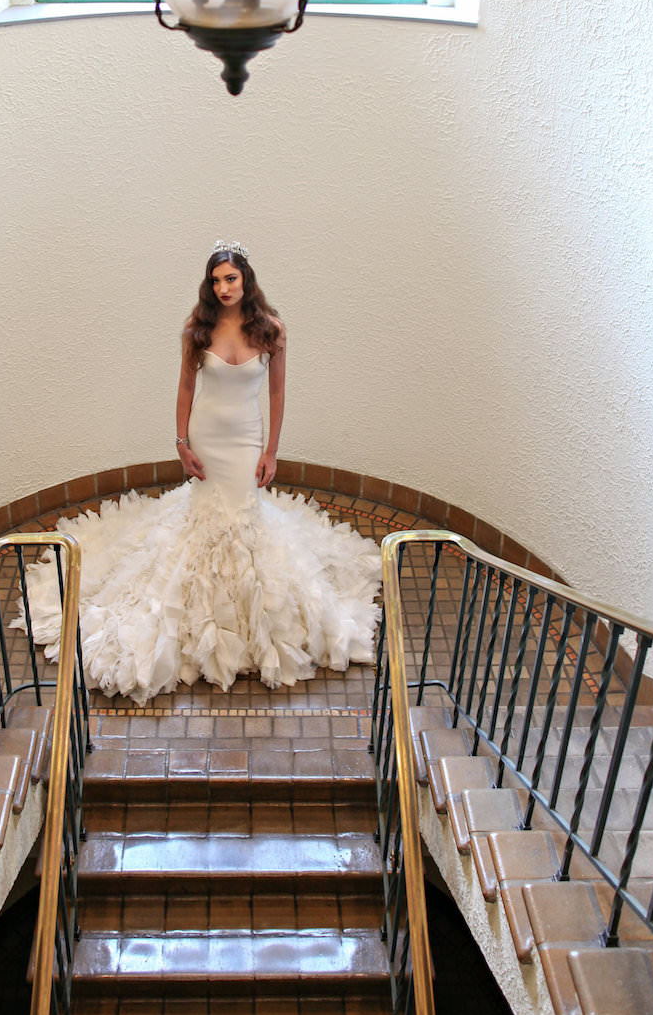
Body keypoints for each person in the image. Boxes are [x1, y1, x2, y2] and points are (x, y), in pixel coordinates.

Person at [19, 241, 382, 704]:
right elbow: (186, 387)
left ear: (246, 279)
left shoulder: (272, 329)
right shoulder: (198, 329)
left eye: (231, 278)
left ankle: (251, 622)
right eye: (216, 280)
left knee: (245, 518)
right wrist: (181, 444)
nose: (224, 287)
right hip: (207, 437)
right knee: (205, 520)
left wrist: (272, 450)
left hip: (247, 438)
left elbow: (277, 394)